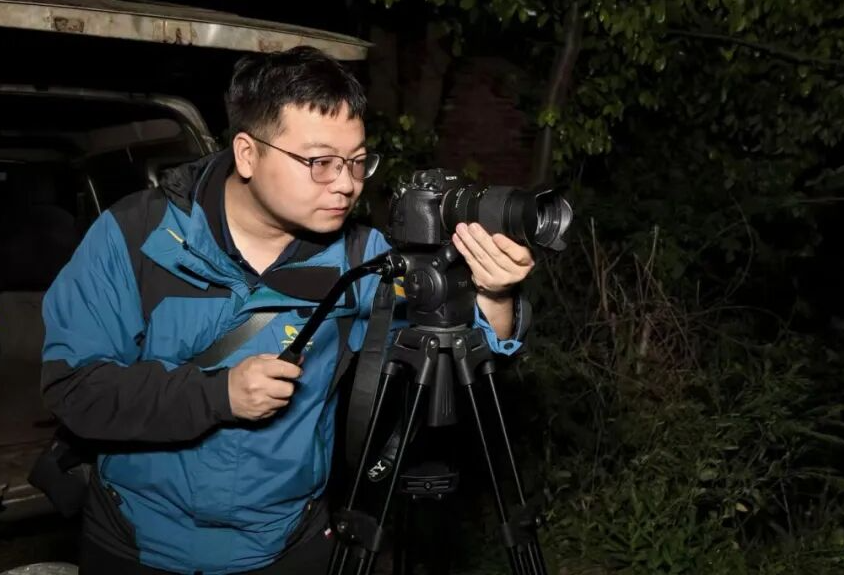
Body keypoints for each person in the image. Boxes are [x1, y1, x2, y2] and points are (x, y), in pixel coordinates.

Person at [39, 46, 534, 575]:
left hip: (290, 546)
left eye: (357, 161)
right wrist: (218, 396)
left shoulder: (362, 258)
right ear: (247, 154)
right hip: (134, 542)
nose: (346, 183)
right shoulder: (135, 235)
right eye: (320, 162)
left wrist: (495, 295)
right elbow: (74, 389)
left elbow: (452, 354)